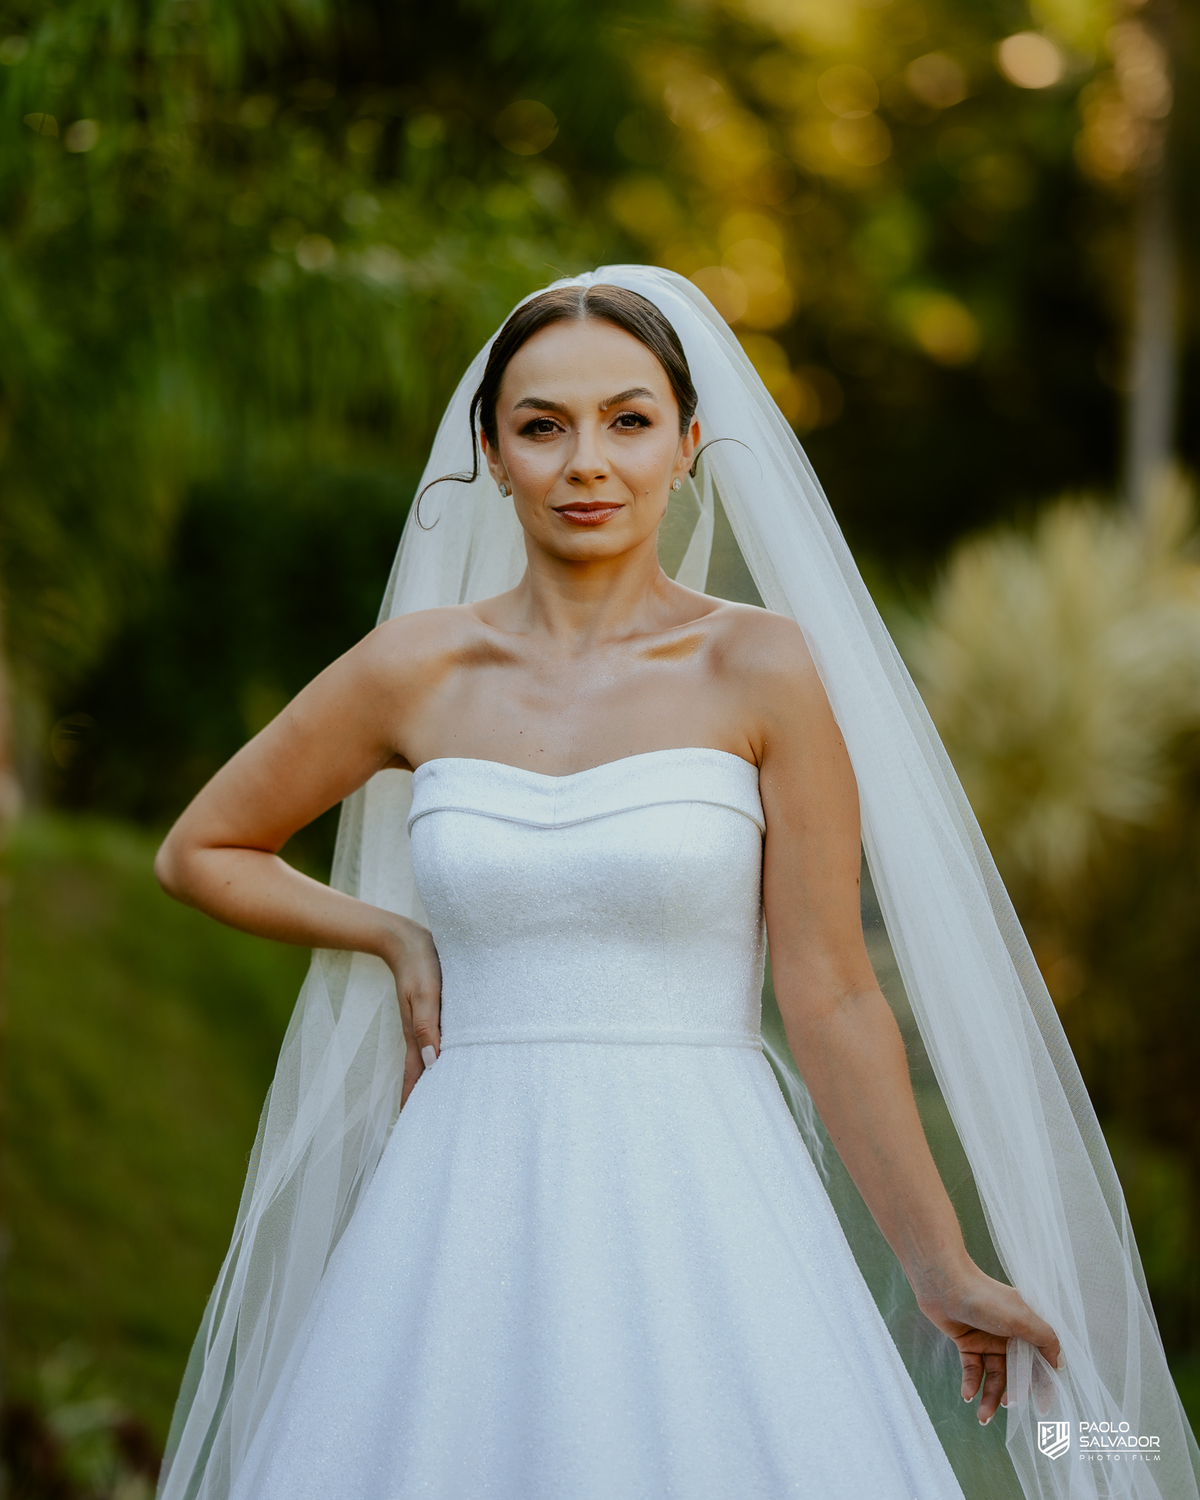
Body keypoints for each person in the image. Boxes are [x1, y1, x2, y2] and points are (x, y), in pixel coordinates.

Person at [153, 270, 1199, 1500]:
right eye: (543, 425)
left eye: (628, 420)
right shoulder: (413, 669)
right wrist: (393, 936)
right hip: (464, 1204)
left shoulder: (760, 667)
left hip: (705, 1195)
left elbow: (831, 990)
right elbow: (202, 849)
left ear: (689, 444)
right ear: (492, 450)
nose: (586, 461)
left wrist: (941, 1264)